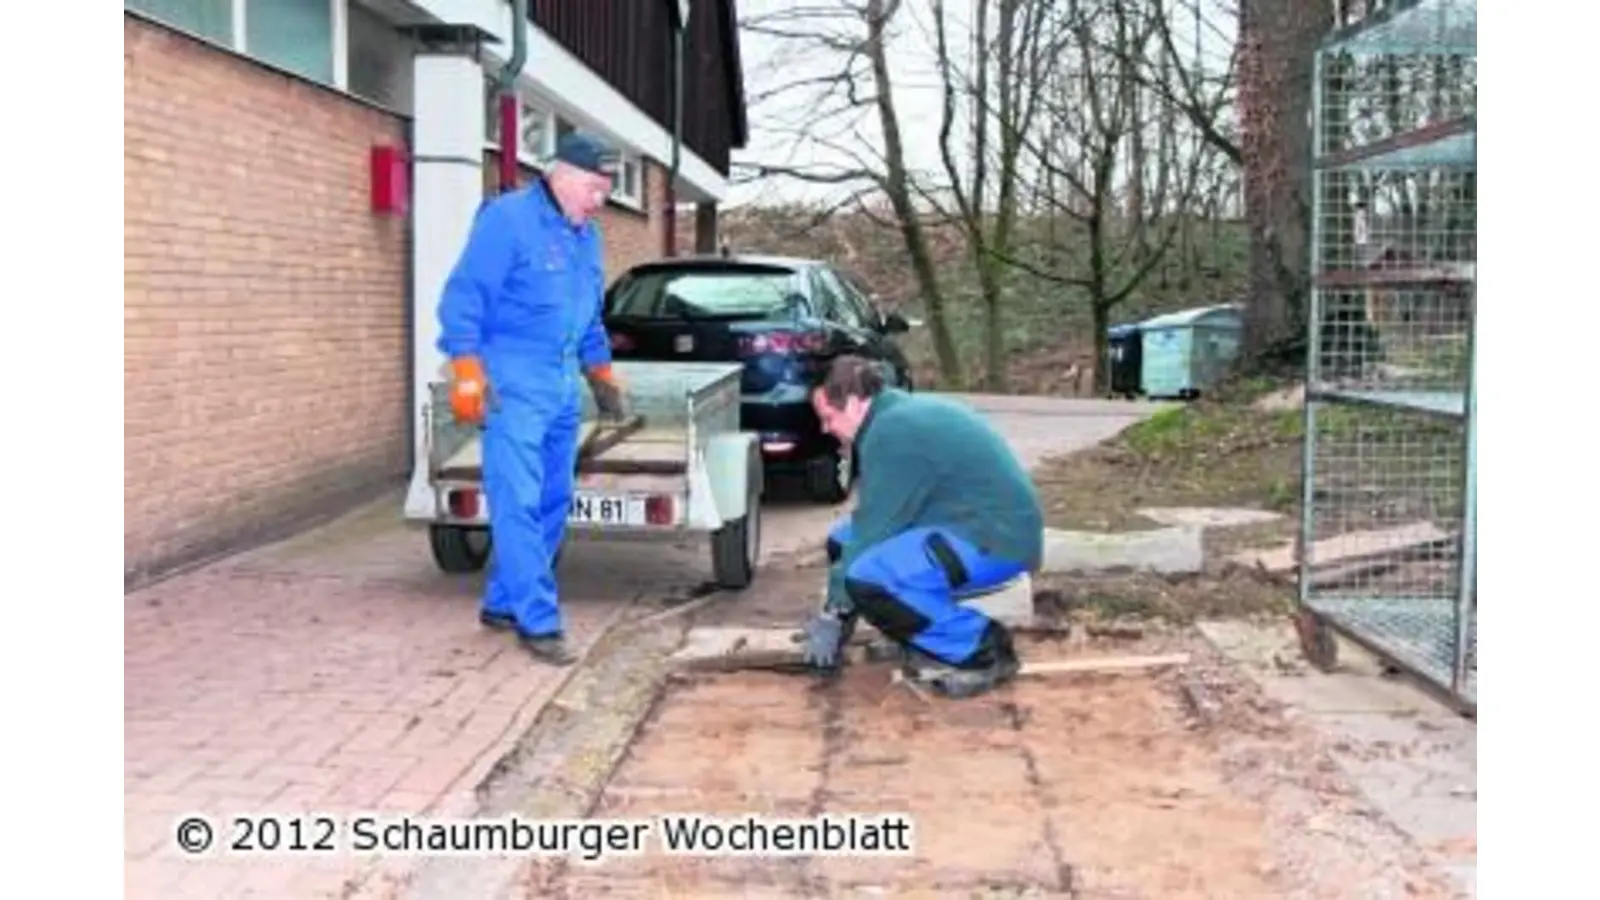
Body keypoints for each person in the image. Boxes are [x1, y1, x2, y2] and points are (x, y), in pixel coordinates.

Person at [435, 131, 630, 666]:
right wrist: (466, 367)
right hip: (512, 385)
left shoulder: (586, 236)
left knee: (552, 500)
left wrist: (601, 372)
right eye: (593, 188)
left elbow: (588, 313)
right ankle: (538, 620)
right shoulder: (507, 220)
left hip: (561, 384)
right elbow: (464, 296)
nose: (600, 201)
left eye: (606, 190)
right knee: (517, 501)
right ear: (560, 174)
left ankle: (503, 602)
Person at [798, 355, 1043, 698]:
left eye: (828, 417)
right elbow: (868, 524)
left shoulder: (891, 433)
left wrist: (832, 614)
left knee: (868, 578)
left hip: (997, 541)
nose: (826, 429)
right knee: (842, 543)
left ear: (853, 402)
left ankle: (983, 650)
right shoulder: (893, 416)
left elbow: (872, 534)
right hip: (968, 522)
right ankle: (912, 633)